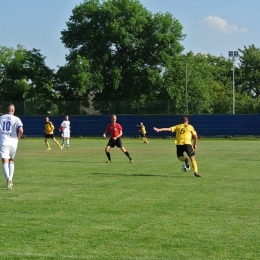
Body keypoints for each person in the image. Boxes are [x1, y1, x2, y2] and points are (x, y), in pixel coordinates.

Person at [0, 103, 23, 190]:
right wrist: (18, 138)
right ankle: (11, 179)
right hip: (13, 142)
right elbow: (21, 130)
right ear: (13, 110)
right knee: (11, 160)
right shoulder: (16, 119)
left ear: (6, 110)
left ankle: (8, 179)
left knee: (4, 161)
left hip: (4, 141)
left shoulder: (1, 118)